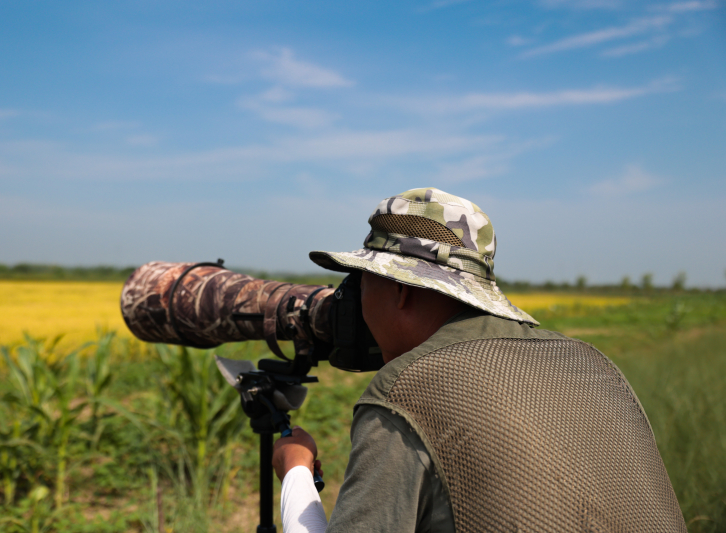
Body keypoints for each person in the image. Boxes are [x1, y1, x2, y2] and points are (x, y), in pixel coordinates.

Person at [273, 188, 686, 533]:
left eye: (362, 281)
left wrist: (296, 473)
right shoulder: (591, 363)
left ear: (402, 291)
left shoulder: (408, 387)